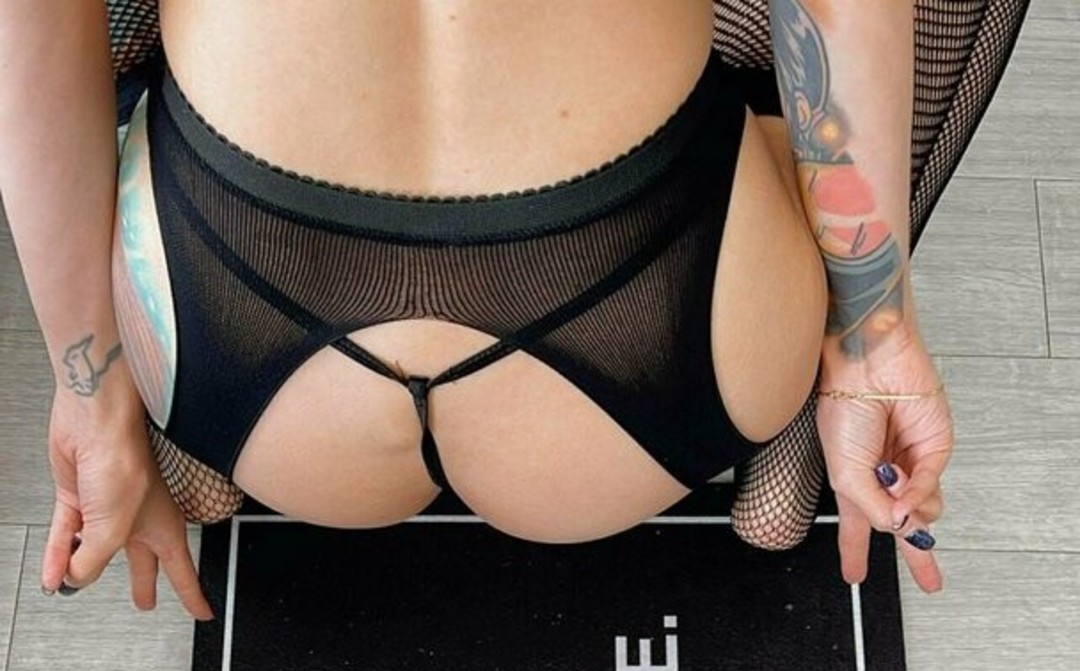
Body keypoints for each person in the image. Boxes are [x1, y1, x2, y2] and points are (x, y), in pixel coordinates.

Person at [0, 0, 957, 623]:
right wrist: (875, 341)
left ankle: (190, 459)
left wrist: (96, 396)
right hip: (668, 331)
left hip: (232, 338)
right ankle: (807, 418)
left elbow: (34, 37)